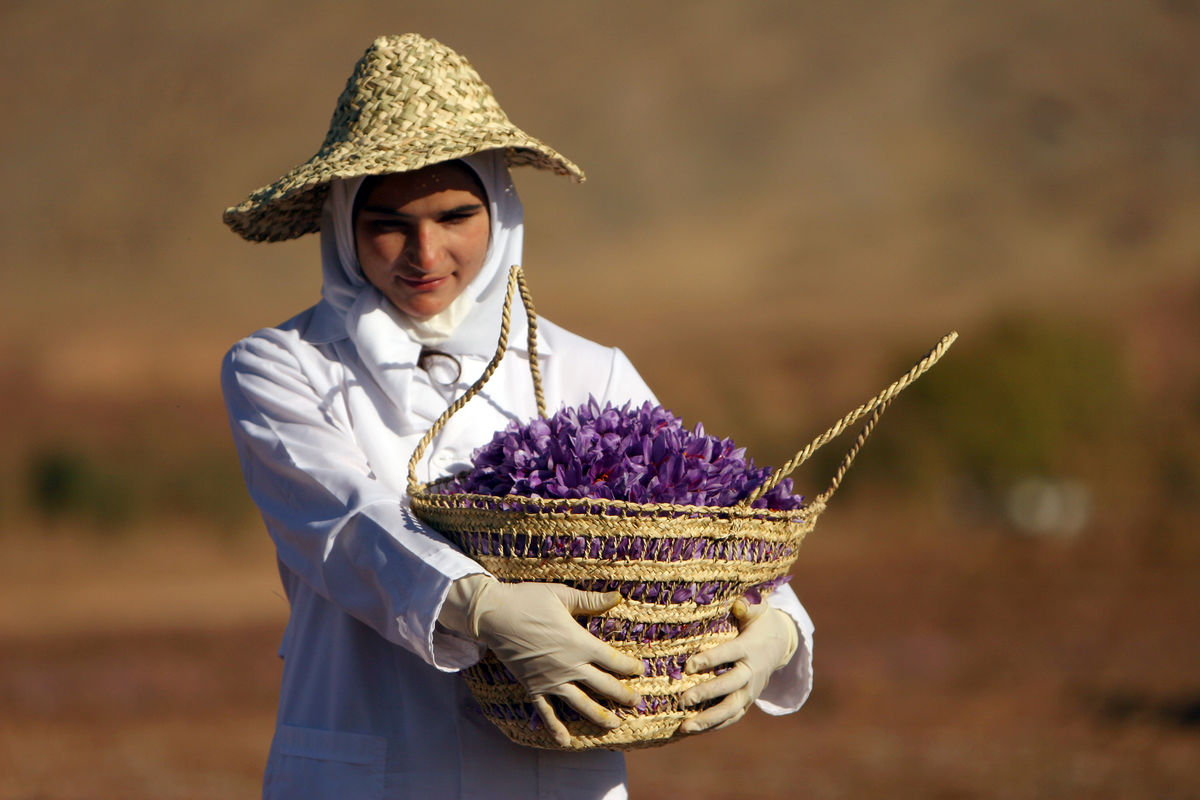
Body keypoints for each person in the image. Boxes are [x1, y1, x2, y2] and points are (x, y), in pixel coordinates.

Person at [221, 33, 815, 800]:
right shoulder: (283, 365)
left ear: (499, 210)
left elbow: (698, 522)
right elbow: (345, 521)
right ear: (342, 225)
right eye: (387, 224)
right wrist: (484, 608)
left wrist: (778, 626)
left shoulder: (585, 369)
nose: (424, 252)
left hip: (557, 779)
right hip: (367, 771)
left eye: (455, 214)